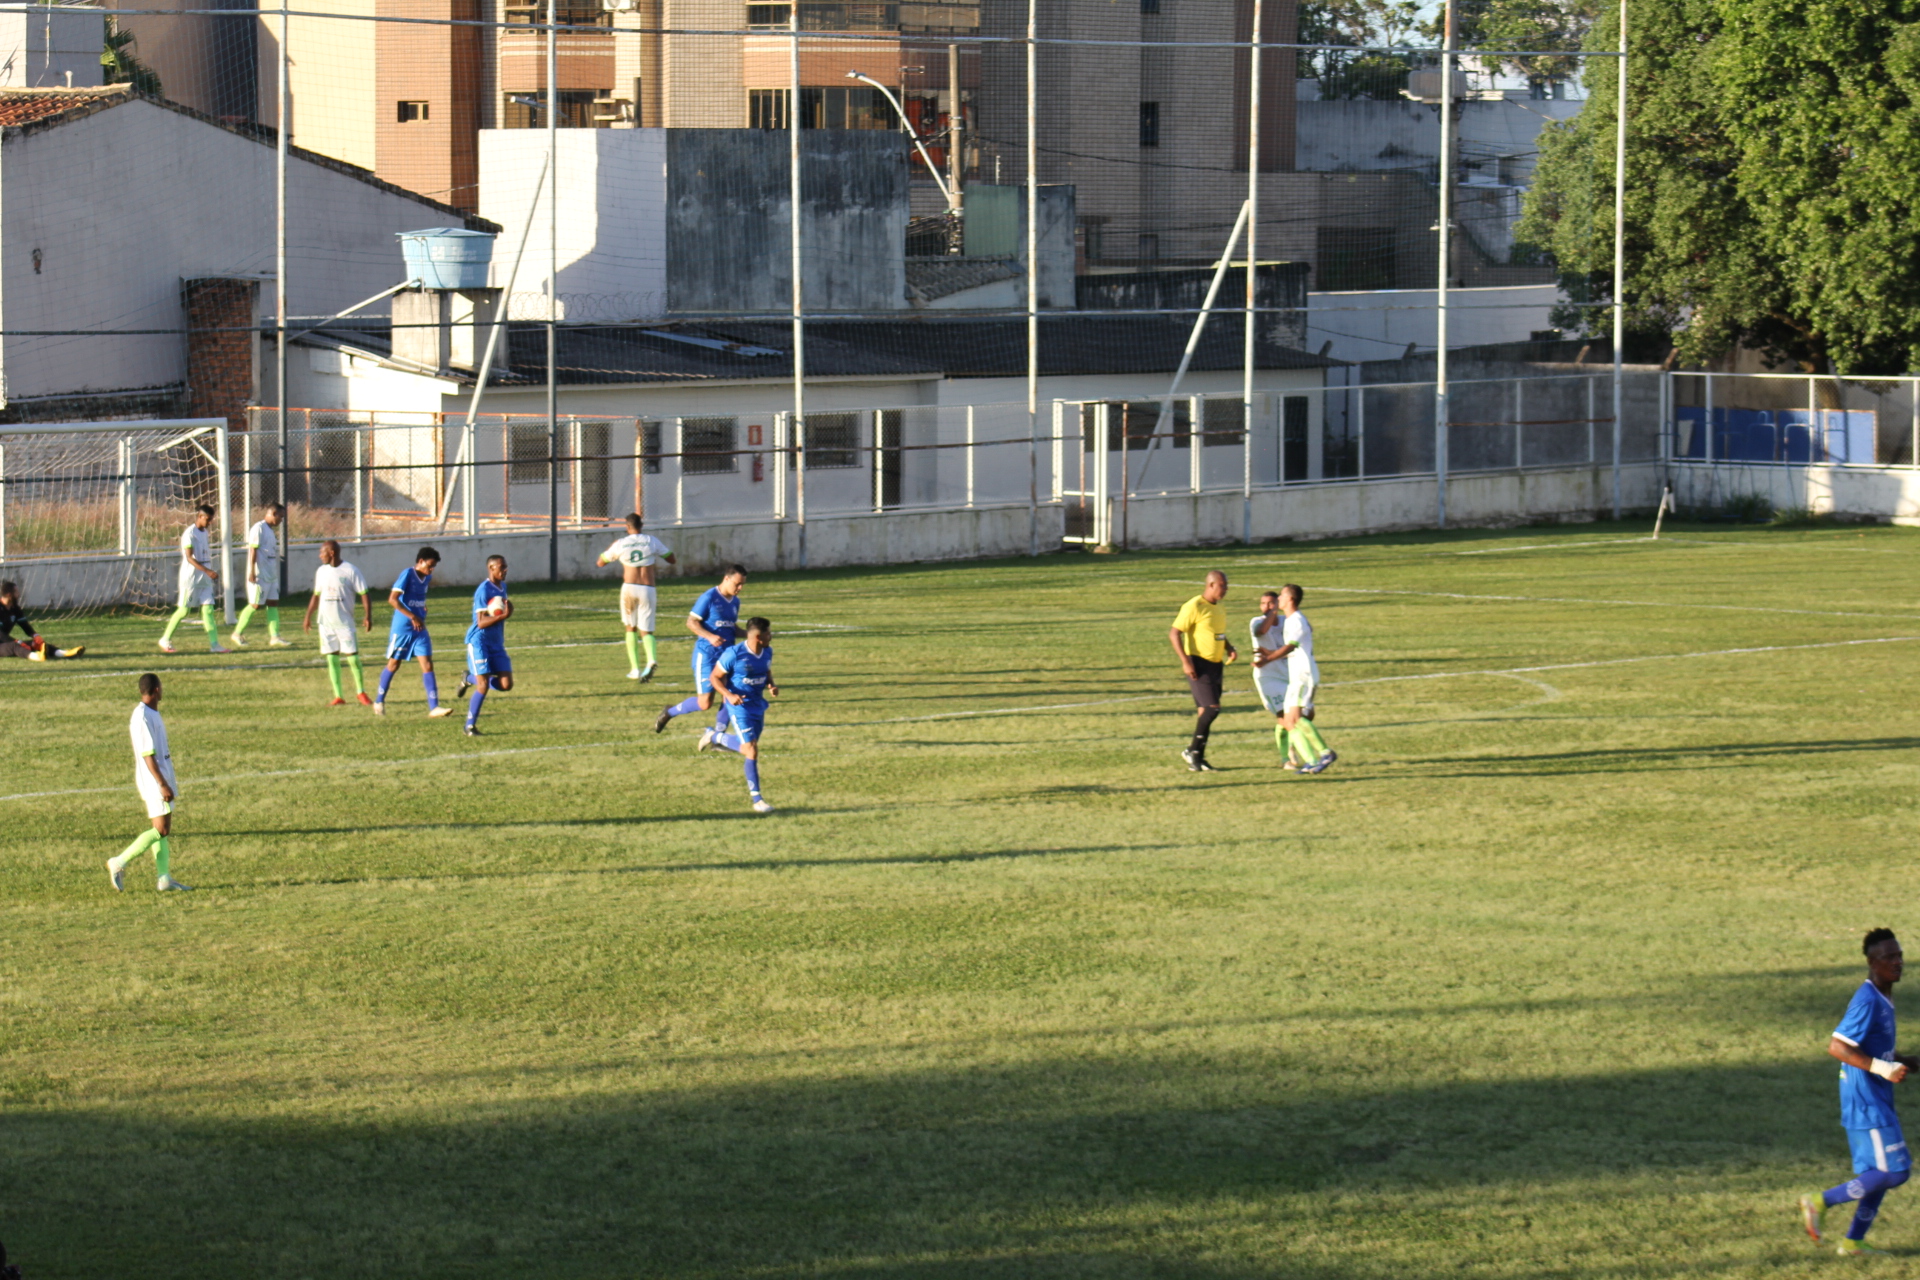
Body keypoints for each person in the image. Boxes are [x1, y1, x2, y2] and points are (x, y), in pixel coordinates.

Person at [1801, 928, 1920, 1256]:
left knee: (1876, 1175)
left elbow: (1870, 1046)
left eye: (1899, 955)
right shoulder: (1867, 999)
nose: (1897, 962)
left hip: (1873, 1098)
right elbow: (1838, 1046)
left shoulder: (1884, 996)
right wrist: (1883, 1069)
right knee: (1895, 1172)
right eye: (1889, 957)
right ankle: (1819, 1202)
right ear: (1871, 962)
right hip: (1866, 1101)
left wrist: (1902, 1059)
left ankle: (1854, 1241)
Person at [106, 673, 191, 891]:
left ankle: (164, 879)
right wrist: (162, 784)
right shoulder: (142, 716)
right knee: (161, 829)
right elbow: (147, 755)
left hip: (161, 776)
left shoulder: (152, 712)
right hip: (154, 780)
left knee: (161, 828)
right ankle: (119, 862)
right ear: (156, 690)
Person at [654, 564, 747, 736]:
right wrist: (710, 636)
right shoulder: (709, 597)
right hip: (707, 655)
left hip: (727, 656)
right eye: (737, 584)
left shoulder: (735, 602)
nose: (740, 588)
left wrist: (750, 635)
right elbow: (691, 622)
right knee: (705, 703)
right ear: (726, 579)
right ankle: (670, 712)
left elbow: (730, 627)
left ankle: (718, 737)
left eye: (742, 585)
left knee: (732, 694)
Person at [697, 615, 778, 814]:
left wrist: (771, 684)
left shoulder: (767, 651)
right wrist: (728, 695)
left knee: (747, 748)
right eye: (768, 632)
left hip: (757, 705)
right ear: (758, 636)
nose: (771, 635)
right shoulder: (734, 654)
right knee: (751, 750)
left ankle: (714, 736)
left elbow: (766, 670)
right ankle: (757, 800)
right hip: (739, 706)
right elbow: (714, 677)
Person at [375, 547, 454, 718]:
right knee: (394, 664)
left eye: (434, 567)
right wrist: (412, 616)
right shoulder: (407, 574)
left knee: (427, 664)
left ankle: (434, 707)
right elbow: (392, 600)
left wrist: (421, 608)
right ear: (420, 562)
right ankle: (379, 701)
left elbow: (417, 598)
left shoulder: (426, 578)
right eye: (430, 566)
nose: (431, 570)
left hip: (419, 628)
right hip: (403, 628)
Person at [596, 513, 676, 682]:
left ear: (627, 526)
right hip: (648, 588)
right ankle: (651, 659)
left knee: (630, 627)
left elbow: (600, 562)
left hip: (629, 588)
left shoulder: (621, 543)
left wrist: (612, 552)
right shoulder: (651, 540)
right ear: (642, 525)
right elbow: (671, 559)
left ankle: (634, 669)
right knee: (646, 630)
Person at [1169, 570, 1235, 771]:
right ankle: (1192, 751)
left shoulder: (1219, 609)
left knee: (1204, 712)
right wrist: (1185, 662)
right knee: (1212, 709)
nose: (1225, 590)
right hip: (1198, 664)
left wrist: (1229, 647)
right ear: (1211, 585)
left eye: (1226, 586)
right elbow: (1174, 634)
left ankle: (1197, 758)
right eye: (1222, 585)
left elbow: (1217, 634)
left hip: (1215, 665)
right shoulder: (1194, 606)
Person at [303, 540, 374, 707]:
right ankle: (338, 696)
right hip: (326, 623)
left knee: (353, 659)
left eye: (323, 553)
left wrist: (368, 616)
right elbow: (316, 595)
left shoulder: (351, 571)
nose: (320, 556)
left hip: (345, 623)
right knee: (332, 659)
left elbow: (364, 594)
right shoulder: (321, 571)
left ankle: (360, 692)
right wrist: (308, 616)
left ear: (332, 553)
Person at [1272, 584, 1335, 774]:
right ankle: (1313, 760)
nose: (1279, 598)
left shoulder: (1297, 620)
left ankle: (1325, 753)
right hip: (1296, 676)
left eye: (1282, 595)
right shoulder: (1293, 620)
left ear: (1290, 599)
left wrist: (1269, 657)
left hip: (1303, 674)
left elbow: (1291, 646)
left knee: (1296, 718)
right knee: (1290, 721)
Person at [157, 505, 228, 655]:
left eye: (211, 520)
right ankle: (165, 638)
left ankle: (214, 644)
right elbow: (189, 558)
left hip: (205, 578)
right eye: (207, 520)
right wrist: (208, 570)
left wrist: (208, 572)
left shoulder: (205, 532)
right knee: (184, 610)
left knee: (208, 610)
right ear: (200, 516)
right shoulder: (189, 534)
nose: (209, 523)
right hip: (191, 578)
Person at [456, 555, 513, 737]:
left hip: (496, 643)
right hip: (479, 641)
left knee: (506, 684)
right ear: (491, 568)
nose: (505, 570)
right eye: (501, 567)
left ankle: (468, 678)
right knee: (483, 685)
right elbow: (480, 622)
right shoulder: (483, 590)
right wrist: (502, 616)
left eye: (505, 567)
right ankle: (469, 726)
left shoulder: (502, 587)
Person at [1250, 591, 1306, 771]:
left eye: (1270, 603)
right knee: (1284, 716)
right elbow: (1261, 632)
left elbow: (1297, 643)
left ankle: (1290, 747)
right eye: (1263, 603)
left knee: (1301, 716)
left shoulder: (1287, 622)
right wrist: (1272, 613)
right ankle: (1287, 759)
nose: (1266, 607)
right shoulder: (1256, 622)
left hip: (1289, 676)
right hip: (1268, 677)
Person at [230, 503, 289, 648]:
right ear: (273, 514)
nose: (281, 520)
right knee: (255, 604)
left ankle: (275, 637)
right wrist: (252, 571)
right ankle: (237, 633)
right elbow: (253, 550)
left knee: (273, 604)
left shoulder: (270, 530)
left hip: (271, 575)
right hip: (259, 574)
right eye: (280, 517)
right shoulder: (259, 528)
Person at [0, 581, 81, 660]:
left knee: (36, 643)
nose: (19, 595)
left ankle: (64, 653)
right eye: (16, 592)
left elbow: (25, 625)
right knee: (15, 646)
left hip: (5, 642)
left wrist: (36, 636)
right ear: (9, 595)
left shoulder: (15, 609)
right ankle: (37, 657)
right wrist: (18, 642)